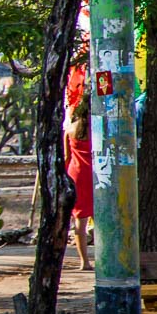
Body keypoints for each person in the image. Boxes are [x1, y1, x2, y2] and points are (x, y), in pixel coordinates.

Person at [65, 102, 94, 271]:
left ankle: (84, 261)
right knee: (101, 220)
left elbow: (67, 156)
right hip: (96, 174)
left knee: (79, 221)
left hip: (76, 174)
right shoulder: (97, 129)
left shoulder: (70, 129)